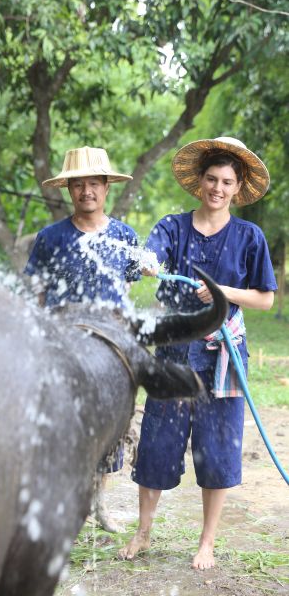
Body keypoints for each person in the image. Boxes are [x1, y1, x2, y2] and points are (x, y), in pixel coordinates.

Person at [119, 136, 277, 569]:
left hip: (223, 350)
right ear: (200, 182)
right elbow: (148, 255)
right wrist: (149, 263)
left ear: (237, 186)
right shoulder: (173, 226)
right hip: (173, 347)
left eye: (227, 181)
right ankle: (144, 532)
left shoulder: (250, 236)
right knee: (156, 440)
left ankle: (207, 542)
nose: (218, 188)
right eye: (211, 179)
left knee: (218, 447)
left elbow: (265, 299)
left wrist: (224, 292)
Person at [24, 145, 145, 533]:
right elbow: (37, 293)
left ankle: (100, 504)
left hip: (110, 350)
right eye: (78, 185)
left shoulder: (124, 235)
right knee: (63, 423)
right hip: (63, 346)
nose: (86, 191)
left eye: (94, 183)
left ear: (107, 187)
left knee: (109, 426)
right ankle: (64, 507)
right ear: (68, 190)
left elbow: (127, 290)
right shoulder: (50, 238)